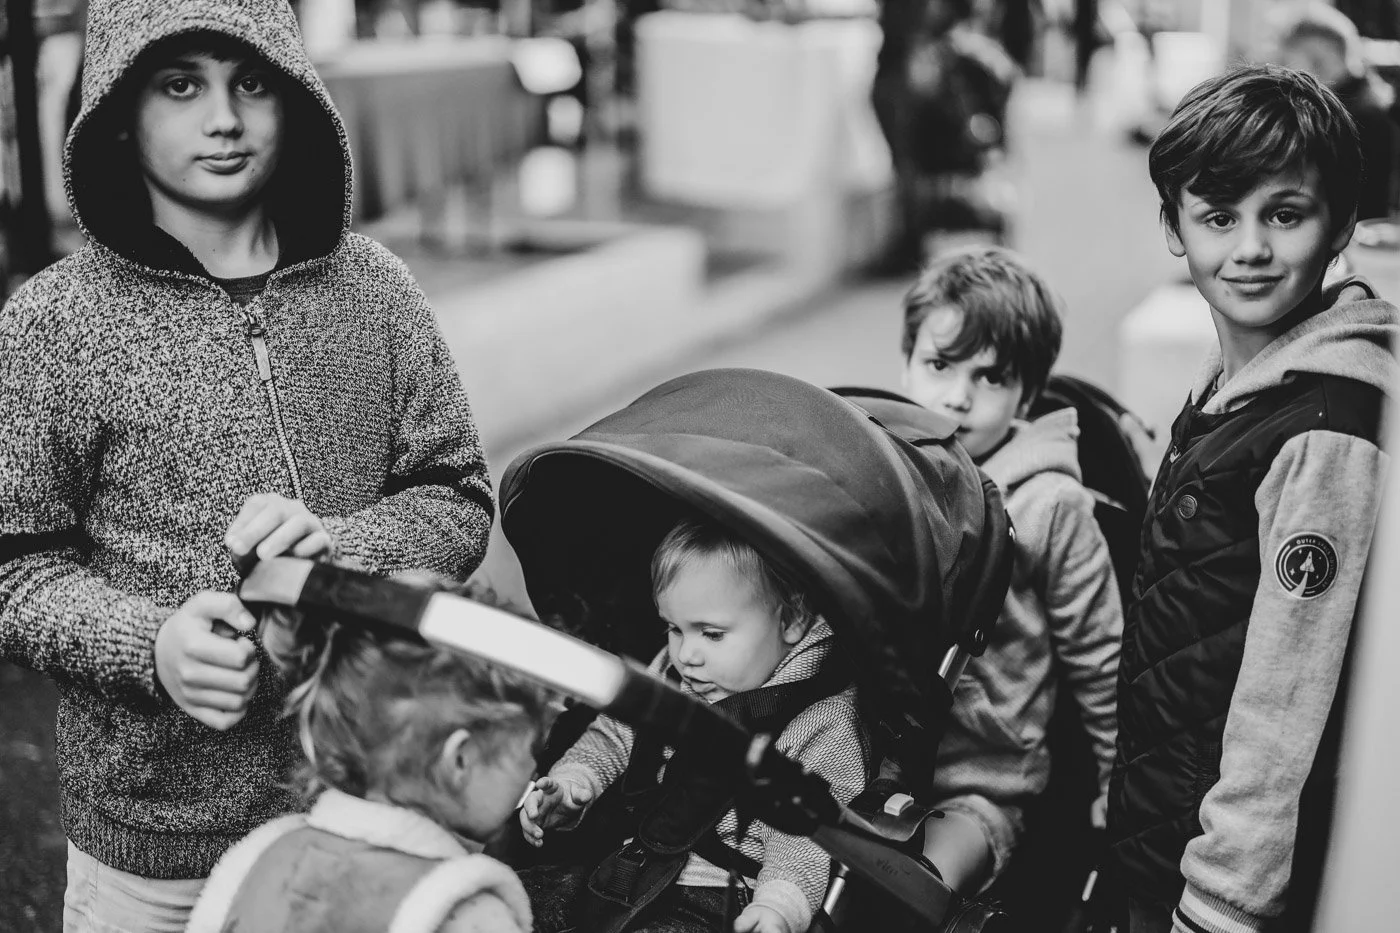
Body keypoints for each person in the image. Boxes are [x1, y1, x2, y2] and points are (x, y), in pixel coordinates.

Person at [0, 0, 494, 929]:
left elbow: (457, 494)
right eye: (180, 84)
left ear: (296, 96)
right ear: (117, 107)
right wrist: (146, 644)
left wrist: (341, 554)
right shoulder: (53, 324)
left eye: (252, 81)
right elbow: (14, 568)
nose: (223, 118)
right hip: (156, 860)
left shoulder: (375, 292)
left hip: (369, 819)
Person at [1107, 64, 1398, 933]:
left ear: (1341, 224)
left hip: (1222, 884)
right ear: (1174, 226)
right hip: (1162, 831)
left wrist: (1221, 903)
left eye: (1285, 212)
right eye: (1218, 216)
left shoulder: (1324, 424)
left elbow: (1287, 697)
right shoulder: (1238, 387)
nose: (1251, 249)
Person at [896, 245, 1122, 894]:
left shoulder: (1051, 502)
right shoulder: (884, 474)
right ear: (906, 364)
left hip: (980, 787)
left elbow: (1100, 652)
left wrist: (1116, 786)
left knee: (902, 888)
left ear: (1026, 395)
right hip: (855, 764)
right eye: (939, 364)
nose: (958, 398)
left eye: (991, 377)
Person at [518, 517, 868, 933]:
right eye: (673, 629)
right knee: (508, 902)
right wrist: (574, 784)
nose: (687, 654)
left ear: (790, 620)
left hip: (718, 898)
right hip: (625, 870)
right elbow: (612, 737)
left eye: (712, 634)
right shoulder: (672, 675)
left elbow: (805, 836)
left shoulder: (822, 722)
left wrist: (777, 909)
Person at [184, 573, 554, 933]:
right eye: (529, 748)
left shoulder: (259, 862)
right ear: (460, 759)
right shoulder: (464, 912)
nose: (533, 768)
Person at [1277, 2, 1400, 220]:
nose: (1285, 73)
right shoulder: (1366, 97)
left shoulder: (1354, 116)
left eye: (1289, 62)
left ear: (1320, 59)